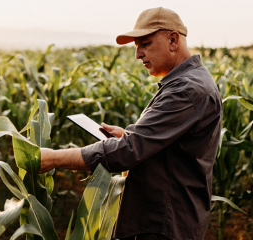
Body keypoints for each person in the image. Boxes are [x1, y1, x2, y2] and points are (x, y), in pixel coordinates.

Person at [40, 7, 223, 240]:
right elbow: (172, 148)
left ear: (173, 40)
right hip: (167, 219)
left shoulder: (187, 90)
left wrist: (53, 159)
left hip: (164, 224)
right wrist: (127, 136)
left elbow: (128, 151)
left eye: (144, 43)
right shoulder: (188, 82)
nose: (137, 54)